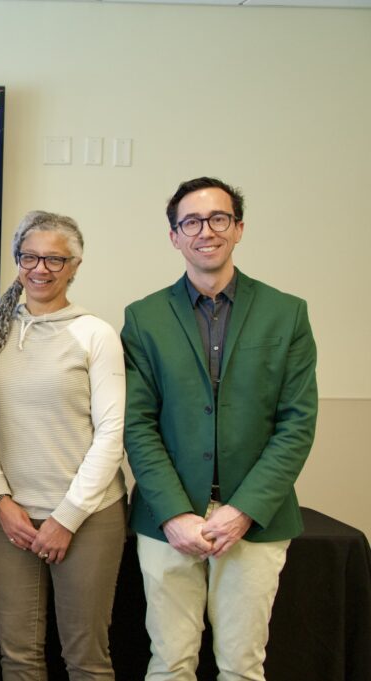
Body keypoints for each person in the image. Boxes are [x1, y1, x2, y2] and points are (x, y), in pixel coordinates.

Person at [122, 177, 318, 680]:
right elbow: (137, 424)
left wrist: (243, 511)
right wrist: (173, 514)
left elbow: (297, 423)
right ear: (174, 236)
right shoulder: (143, 318)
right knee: (170, 663)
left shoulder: (286, 312)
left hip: (255, 521)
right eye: (191, 221)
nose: (205, 231)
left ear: (238, 228)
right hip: (168, 521)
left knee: (242, 666)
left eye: (218, 218)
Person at [0, 211, 127, 680]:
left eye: (55, 260)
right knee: (18, 657)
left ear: (76, 265)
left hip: (87, 518)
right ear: (18, 261)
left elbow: (111, 432)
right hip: (11, 520)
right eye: (30, 257)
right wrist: (0, 499)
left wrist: (67, 518)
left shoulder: (94, 334)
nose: (40, 269)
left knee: (85, 659)